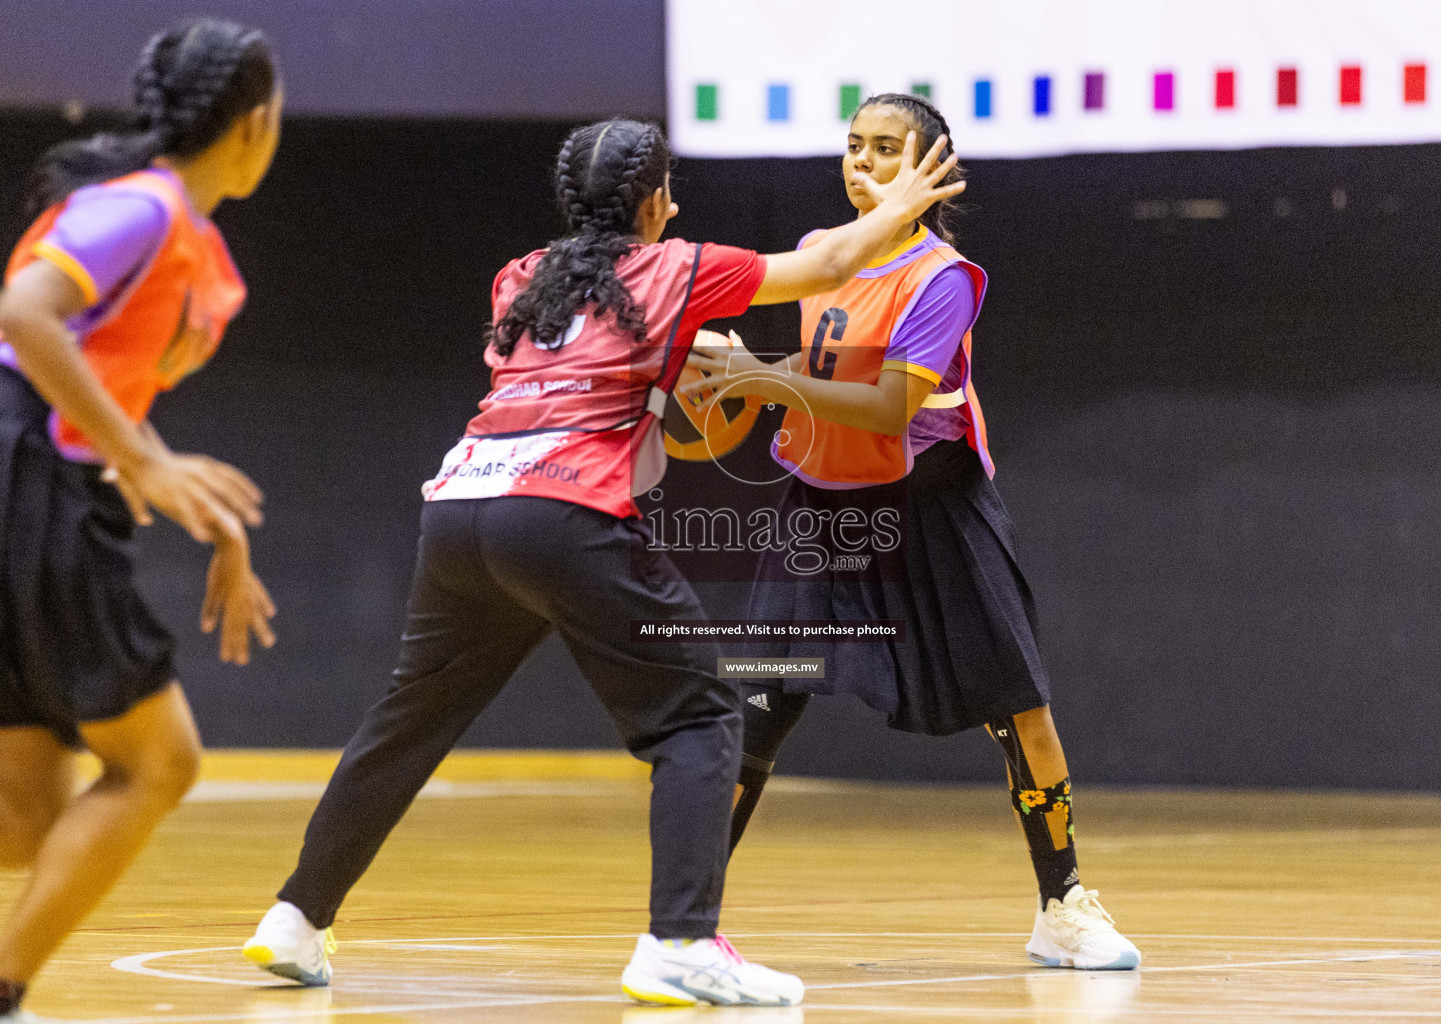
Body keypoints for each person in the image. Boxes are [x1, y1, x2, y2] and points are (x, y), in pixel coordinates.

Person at [243, 118, 963, 1006]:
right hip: (560, 511)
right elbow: (823, 268)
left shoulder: (521, 277)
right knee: (702, 715)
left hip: (462, 509)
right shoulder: (675, 264)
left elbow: (606, 366)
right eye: (671, 188)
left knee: (406, 723)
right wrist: (897, 207)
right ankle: (680, 942)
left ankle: (297, 917)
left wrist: (707, 363)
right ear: (656, 199)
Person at [681, 92, 1142, 971]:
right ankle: (684, 926)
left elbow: (889, 403)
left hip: (936, 509)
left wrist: (763, 380)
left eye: (885, 149)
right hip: (821, 508)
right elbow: (823, 370)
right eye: (852, 146)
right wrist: (748, 372)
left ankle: (1063, 906)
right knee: (754, 707)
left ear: (931, 169)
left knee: (1023, 712)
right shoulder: (820, 257)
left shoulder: (943, 279)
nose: (861, 162)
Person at [0, 20, 281, 1021]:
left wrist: (207, 515)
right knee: (161, 761)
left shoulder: (191, 246)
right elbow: (24, 313)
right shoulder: (140, 210)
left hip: (50, 485)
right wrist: (140, 456)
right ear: (256, 123)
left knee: (29, 814)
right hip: (25, 478)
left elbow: (109, 396)